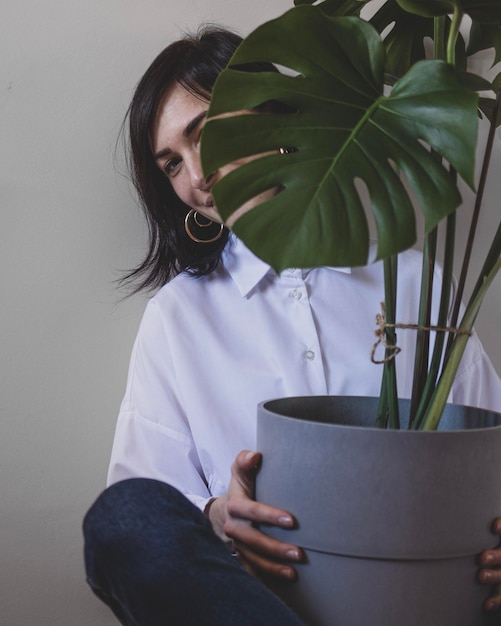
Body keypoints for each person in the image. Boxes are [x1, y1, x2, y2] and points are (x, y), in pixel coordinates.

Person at [83, 26, 501, 625]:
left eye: (205, 133)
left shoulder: (412, 282)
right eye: (172, 163)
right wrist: (218, 515)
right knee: (122, 517)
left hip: (420, 603)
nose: (197, 177)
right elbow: (150, 517)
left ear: (272, 115)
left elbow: (491, 458)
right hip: (258, 607)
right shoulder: (178, 319)